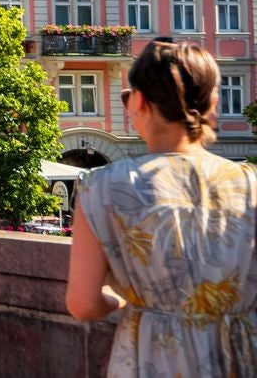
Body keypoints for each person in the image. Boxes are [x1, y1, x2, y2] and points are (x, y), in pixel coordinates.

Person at [69, 40, 257, 375]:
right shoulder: (249, 183)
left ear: (138, 101)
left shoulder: (103, 188)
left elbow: (83, 304)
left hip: (151, 357)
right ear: (213, 102)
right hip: (237, 357)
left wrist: (129, 301)